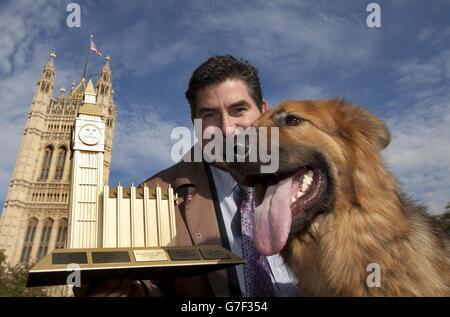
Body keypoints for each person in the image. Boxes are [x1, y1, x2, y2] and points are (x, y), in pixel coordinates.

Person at [75, 55, 299, 297]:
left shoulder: (306, 178)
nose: (226, 129)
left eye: (238, 110)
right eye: (209, 115)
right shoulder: (152, 196)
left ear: (264, 111)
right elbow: (146, 284)